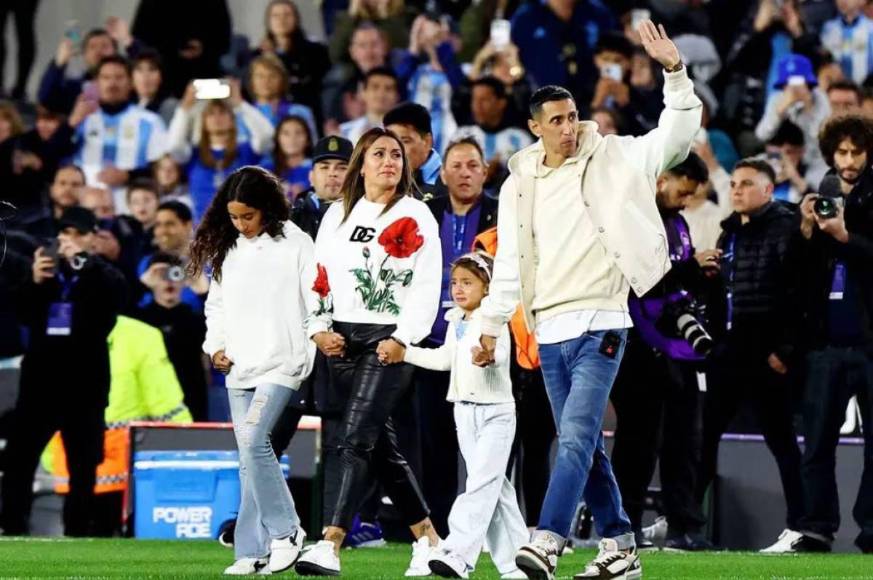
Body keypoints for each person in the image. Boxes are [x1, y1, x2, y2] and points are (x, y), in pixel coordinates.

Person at [476, 20, 700, 580]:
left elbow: (675, 137)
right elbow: (512, 261)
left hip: (602, 320)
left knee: (575, 436)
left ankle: (548, 538)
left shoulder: (617, 157)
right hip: (548, 329)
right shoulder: (519, 183)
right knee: (587, 446)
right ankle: (621, 546)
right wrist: (491, 323)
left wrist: (675, 73)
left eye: (572, 116)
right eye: (555, 120)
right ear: (534, 127)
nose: (568, 127)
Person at [294, 127, 442, 576]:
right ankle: (429, 541)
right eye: (379, 154)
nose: (389, 162)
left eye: (396, 155)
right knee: (380, 448)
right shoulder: (339, 214)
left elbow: (427, 283)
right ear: (361, 164)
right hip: (341, 339)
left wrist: (405, 338)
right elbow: (318, 276)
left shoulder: (417, 214)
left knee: (354, 439)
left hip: (387, 341)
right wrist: (318, 329)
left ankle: (330, 543)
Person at [193, 166, 315, 574]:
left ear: (266, 208)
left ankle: (288, 531)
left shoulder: (297, 243)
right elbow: (216, 306)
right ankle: (251, 551)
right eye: (234, 217)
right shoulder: (228, 249)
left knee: (254, 439)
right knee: (248, 456)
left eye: (248, 216)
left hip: (282, 363)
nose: (241, 224)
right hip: (239, 365)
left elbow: (316, 298)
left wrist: (307, 350)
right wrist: (215, 346)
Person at [381, 252, 527, 579]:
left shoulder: (494, 319)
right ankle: (519, 565)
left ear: (487, 287)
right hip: (463, 412)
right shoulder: (455, 319)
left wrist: (488, 357)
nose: (458, 289)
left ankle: (457, 553)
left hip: (495, 414)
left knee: (480, 485)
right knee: (496, 490)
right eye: (455, 283)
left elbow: (501, 353)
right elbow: (445, 360)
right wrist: (406, 353)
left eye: (467, 283)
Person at [697, 159, 806, 553]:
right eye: (733, 184)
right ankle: (686, 523)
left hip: (766, 356)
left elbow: (799, 292)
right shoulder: (728, 233)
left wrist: (785, 350)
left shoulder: (786, 228)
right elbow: (725, 295)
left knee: (782, 441)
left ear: (768, 190)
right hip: (729, 353)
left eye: (746, 184)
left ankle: (801, 526)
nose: (736, 190)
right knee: (704, 437)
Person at [0, 206, 126, 536]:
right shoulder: (45, 271)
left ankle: (77, 534)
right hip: (40, 384)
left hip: (85, 386)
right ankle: (12, 529)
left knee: (83, 466)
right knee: (18, 459)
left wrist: (85, 262)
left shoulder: (103, 274)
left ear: (92, 238)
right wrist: (34, 280)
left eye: (78, 234)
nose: (69, 240)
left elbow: (111, 307)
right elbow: (23, 313)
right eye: (65, 233)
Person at [610, 153, 714, 551]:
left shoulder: (678, 224)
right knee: (638, 441)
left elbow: (677, 282)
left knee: (684, 441)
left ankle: (683, 526)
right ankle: (625, 526)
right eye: (683, 192)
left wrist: (701, 275)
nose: (685, 201)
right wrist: (689, 270)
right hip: (638, 346)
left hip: (678, 348)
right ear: (663, 178)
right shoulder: (634, 220)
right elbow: (642, 282)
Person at [786, 114, 873, 554]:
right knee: (817, 443)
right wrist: (806, 232)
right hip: (824, 345)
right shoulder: (824, 195)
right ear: (831, 154)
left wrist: (845, 236)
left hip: (870, 343)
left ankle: (872, 529)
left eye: (857, 152)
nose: (850, 161)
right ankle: (817, 527)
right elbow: (798, 277)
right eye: (842, 152)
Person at [44, 314, 193, 536]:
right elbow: (163, 401)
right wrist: (188, 446)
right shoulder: (141, 335)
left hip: (71, 459)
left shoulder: (56, 328)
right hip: (116, 464)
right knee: (108, 539)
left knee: (75, 536)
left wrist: (47, 453)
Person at [418, 137, 497, 537]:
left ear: (485, 171)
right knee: (435, 444)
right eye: (457, 166)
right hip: (434, 343)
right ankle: (442, 530)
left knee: (489, 447)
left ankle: (489, 529)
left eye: (472, 166)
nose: (465, 173)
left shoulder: (502, 216)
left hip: (487, 347)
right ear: (443, 173)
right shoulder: (425, 214)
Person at [60, 55, 168, 211]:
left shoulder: (151, 122)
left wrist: (128, 175)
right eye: (106, 78)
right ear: (96, 83)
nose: (112, 83)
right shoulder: (80, 118)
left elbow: (162, 168)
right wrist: (70, 125)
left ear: (130, 82)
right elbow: (53, 157)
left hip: (132, 210)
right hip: (82, 208)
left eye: (119, 77)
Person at [167, 80, 274, 222]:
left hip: (241, 228)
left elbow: (266, 136)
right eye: (211, 114)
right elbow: (174, 146)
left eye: (222, 113)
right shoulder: (194, 155)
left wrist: (240, 104)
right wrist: (184, 109)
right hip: (204, 228)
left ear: (232, 119)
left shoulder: (245, 151)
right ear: (204, 121)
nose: (217, 118)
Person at [136, 252, 209, 421]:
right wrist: (142, 284)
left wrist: (203, 292)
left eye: (175, 274)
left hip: (191, 400)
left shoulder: (196, 319)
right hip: (151, 398)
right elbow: (117, 315)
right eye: (161, 275)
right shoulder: (140, 319)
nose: (169, 281)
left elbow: (225, 328)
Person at [249, 0, 331, 124]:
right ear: (268, 21)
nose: (282, 20)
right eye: (276, 16)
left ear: (296, 19)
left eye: (287, 15)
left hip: (308, 108)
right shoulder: (257, 55)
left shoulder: (315, 51)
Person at [455, 76, 533, 192]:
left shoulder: (521, 140)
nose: (477, 106)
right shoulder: (460, 136)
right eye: (474, 99)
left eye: (484, 100)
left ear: (501, 103)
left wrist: (502, 171)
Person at [37, 27, 119, 114]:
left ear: (115, 52)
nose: (98, 50)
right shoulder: (75, 88)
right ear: (85, 55)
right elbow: (46, 100)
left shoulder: (126, 84)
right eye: (92, 47)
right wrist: (59, 64)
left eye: (105, 46)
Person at [291, 135, 353, 239]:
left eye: (342, 168)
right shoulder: (292, 221)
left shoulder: (367, 216)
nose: (332, 173)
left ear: (355, 176)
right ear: (311, 177)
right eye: (324, 167)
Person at [384, 102, 445, 200]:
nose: (395, 151)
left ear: (427, 142)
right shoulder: (384, 179)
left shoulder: (449, 180)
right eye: (391, 141)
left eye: (405, 141)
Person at [339, 66, 400, 145]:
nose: (381, 94)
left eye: (388, 88)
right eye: (375, 87)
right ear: (363, 93)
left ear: (397, 96)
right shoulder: (344, 133)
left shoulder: (405, 134)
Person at [820, 0, 873, 85]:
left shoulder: (870, 27)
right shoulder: (829, 28)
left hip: (867, 87)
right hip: (838, 88)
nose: (842, 1)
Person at [264, 115, 314, 201]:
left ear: (308, 140)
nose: (292, 138)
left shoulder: (317, 168)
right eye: (286, 133)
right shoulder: (266, 170)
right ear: (277, 139)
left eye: (298, 133)